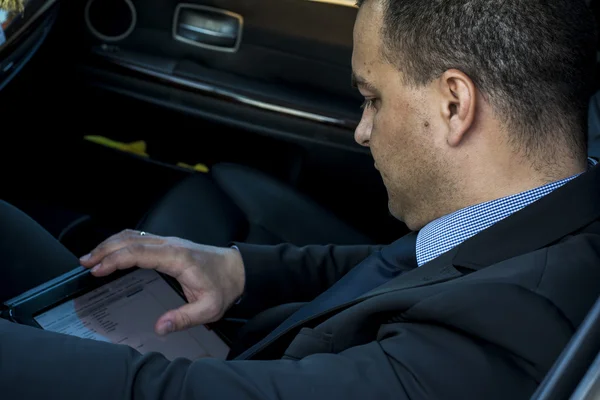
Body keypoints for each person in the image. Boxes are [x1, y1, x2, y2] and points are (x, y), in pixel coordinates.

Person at [2, 0, 600, 398]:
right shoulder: (553, 211)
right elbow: (412, 264)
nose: (362, 131)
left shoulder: (504, 329)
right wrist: (238, 268)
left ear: (453, 105)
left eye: (373, 98)